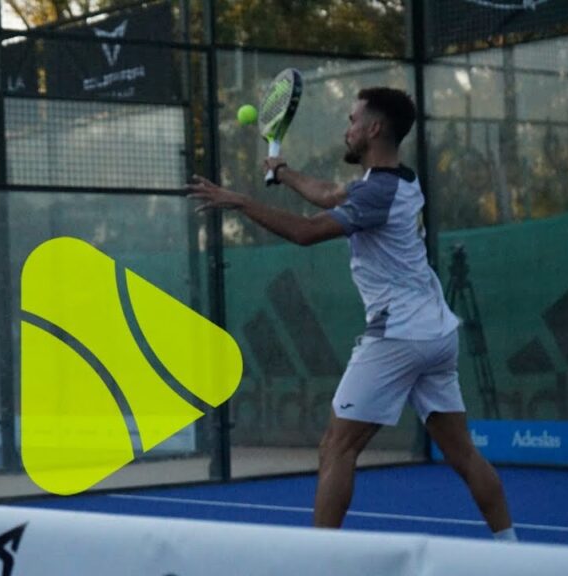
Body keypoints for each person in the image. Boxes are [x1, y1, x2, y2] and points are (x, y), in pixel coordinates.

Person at [187, 87, 516, 540]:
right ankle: (512, 551)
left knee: (336, 449)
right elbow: (329, 194)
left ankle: (323, 564)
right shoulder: (396, 180)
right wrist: (283, 173)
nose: (347, 129)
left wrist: (240, 201)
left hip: (398, 336)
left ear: (374, 129)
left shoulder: (377, 194)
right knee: (463, 455)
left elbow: (305, 232)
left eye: (352, 120)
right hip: (436, 333)